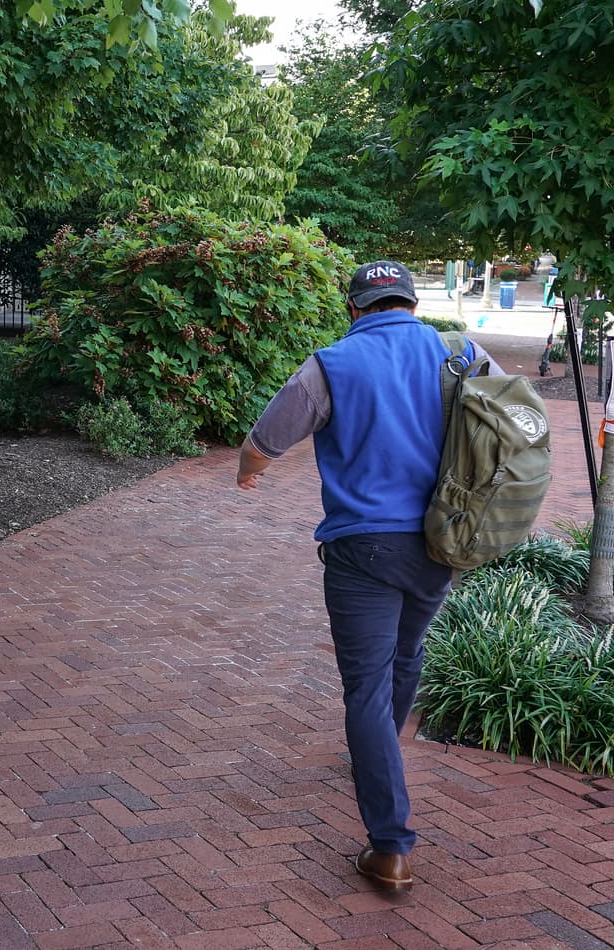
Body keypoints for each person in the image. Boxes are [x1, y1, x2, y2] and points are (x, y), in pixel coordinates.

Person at [235, 261, 501, 891]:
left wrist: (248, 473)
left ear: (355, 308)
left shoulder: (332, 364)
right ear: (411, 304)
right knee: (407, 656)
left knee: (365, 687)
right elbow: (512, 427)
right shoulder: (464, 354)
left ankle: (390, 847)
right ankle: (382, 753)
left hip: (363, 550)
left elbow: (265, 440)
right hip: (444, 540)